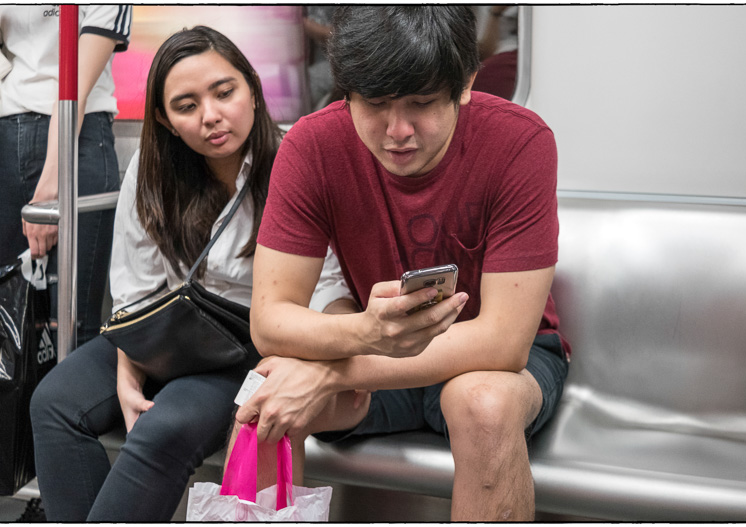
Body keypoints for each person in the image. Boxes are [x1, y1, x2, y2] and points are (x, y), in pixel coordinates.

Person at [230, 6, 571, 522]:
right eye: (376, 103)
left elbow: (503, 339)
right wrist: (365, 334)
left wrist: (330, 374)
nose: (397, 130)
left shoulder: (519, 142)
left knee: (482, 404)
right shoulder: (311, 146)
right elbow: (271, 321)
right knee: (263, 400)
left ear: (466, 83)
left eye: (421, 102)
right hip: (374, 348)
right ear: (347, 93)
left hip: (495, 360)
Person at [29, 26, 351, 522]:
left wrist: (330, 351)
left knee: (166, 425)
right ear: (164, 118)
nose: (211, 117)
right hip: (173, 329)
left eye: (224, 93)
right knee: (54, 402)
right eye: (186, 106)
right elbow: (135, 290)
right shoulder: (152, 169)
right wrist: (130, 366)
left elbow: (329, 285)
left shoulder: (297, 161)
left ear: (252, 87)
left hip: (257, 342)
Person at [0, 5, 132, 346]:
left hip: (78, 135)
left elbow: (75, 88)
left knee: (73, 325)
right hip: (8, 135)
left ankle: (62, 399)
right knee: (11, 323)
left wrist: (50, 185)